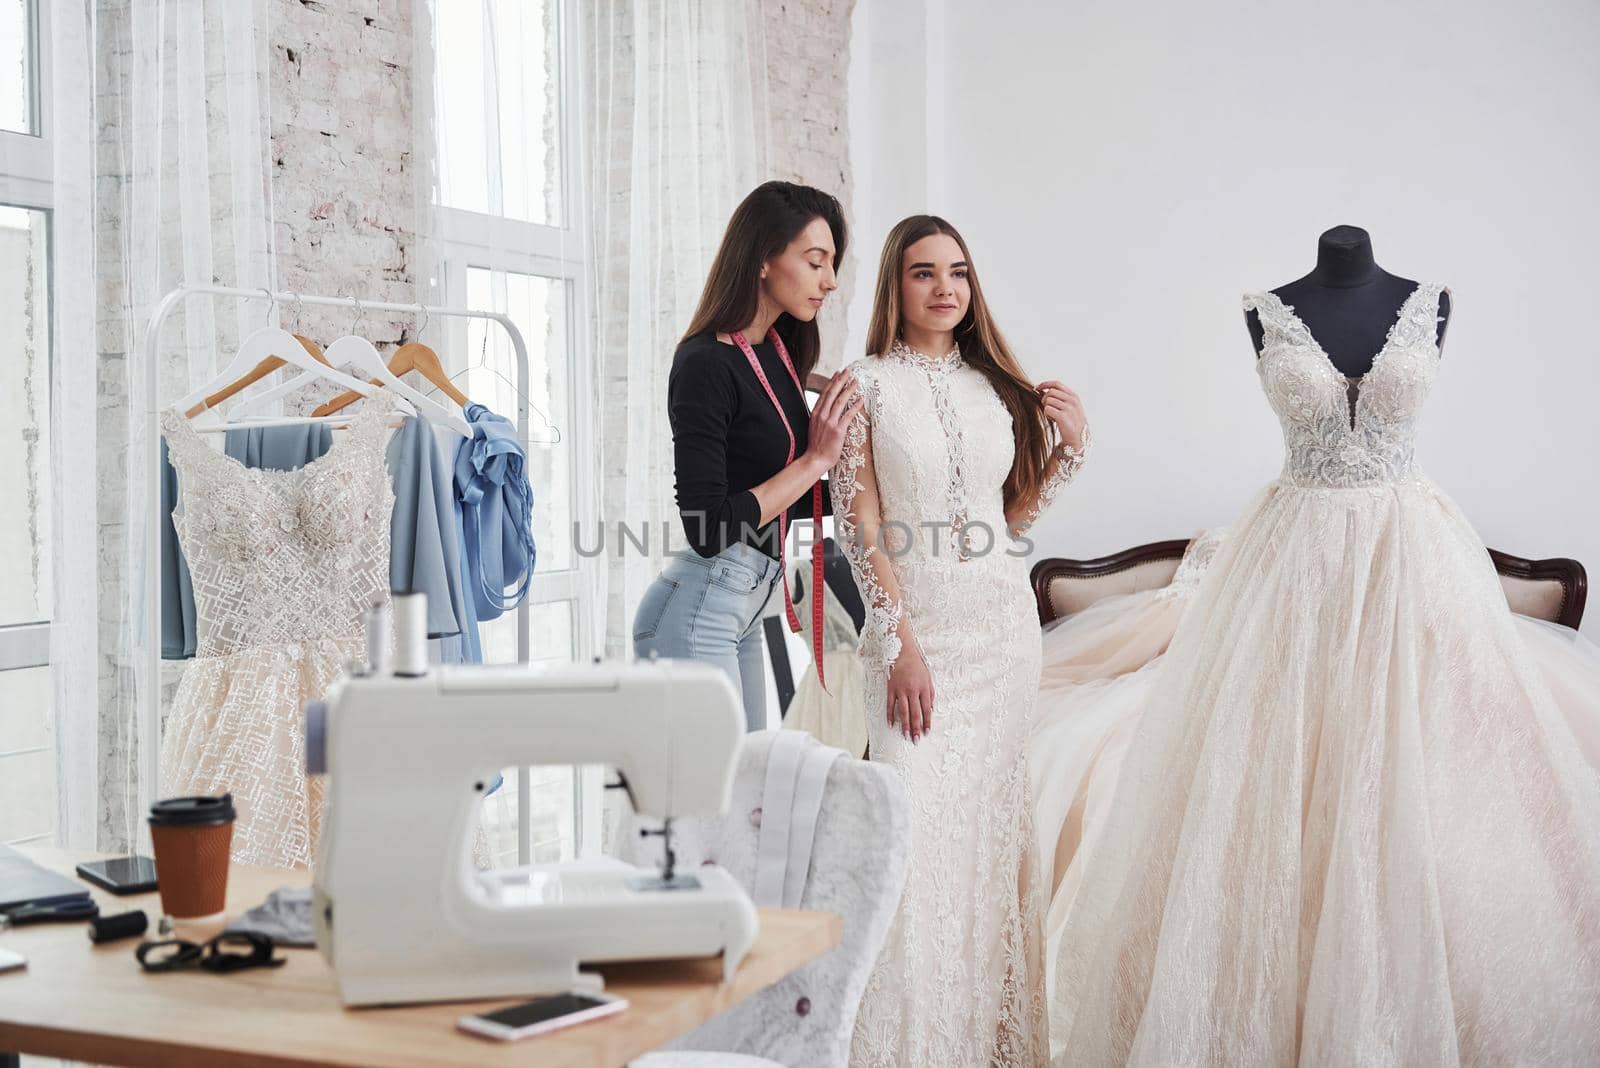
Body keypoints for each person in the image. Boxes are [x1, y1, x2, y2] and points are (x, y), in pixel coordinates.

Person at [1046, 274, 1600, 1065]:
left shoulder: (1430, 301)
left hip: (1409, 556)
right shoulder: (1265, 309)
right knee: (1279, 777)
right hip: (1294, 558)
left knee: (1435, 773)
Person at [833, 214, 1089, 1066]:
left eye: (958, 273)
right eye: (922, 272)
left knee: (983, 852)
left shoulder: (994, 390)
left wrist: (1067, 454)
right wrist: (897, 639)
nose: (944, 287)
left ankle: (981, 1044)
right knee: (912, 844)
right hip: (918, 635)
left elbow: (1002, 523)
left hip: (1001, 634)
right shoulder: (863, 385)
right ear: (894, 286)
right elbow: (858, 522)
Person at [632, 181, 860, 730]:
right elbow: (708, 527)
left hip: (746, 613)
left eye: (832, 264)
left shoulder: (777, 355)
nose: (829, 280)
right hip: (696, 614)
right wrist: (816, 460)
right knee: (714, 802)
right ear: (763, 259)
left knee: (749, 791)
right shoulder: (705, 364)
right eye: (815, 261)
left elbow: (788, 505)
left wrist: (871, 481)